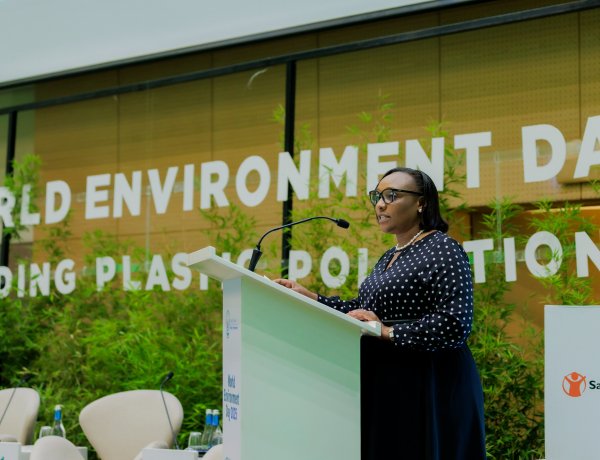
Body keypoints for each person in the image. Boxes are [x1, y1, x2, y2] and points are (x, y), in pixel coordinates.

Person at [274, 167, 486, 460]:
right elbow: (363, 312)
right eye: (377, 197)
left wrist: (388, 332)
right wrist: (311, 296)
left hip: (430, 381)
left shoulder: (443, 248)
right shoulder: (391, 255)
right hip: (389, 380)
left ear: (421, 202)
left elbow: (454, 323)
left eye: (391, 196)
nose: (380, 204)